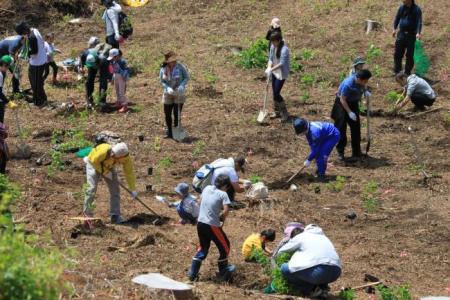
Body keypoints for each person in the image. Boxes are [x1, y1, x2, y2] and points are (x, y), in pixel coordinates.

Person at [187, 174, 236, 282]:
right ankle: (223, 273)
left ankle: (192, 274)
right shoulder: (223, 194)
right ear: (226, 186)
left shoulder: (207, 188)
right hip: (211, 225)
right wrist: (222, 218)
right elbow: (226, 209)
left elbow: (199, 202)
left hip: (200, 223)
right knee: (225, 247)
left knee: (203, 248)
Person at [278, 224, 342, 298]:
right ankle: (322, 289)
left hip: (320, 271)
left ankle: (311, 289)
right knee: (317, 265)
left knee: (285, 268)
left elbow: (281, 251)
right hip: (336, 272)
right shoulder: (324, 238)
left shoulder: (302, 236)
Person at [83, 142, 138, 224]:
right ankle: (87, 216)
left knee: (115, 190)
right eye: (111, 154)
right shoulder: (103, 151)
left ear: (121, 156)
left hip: (109, 166)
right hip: (93, 163)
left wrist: (132, 188)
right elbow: (94, 162)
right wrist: (105, 172)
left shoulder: (126, 158)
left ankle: (115, 216)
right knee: (91, 189)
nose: (111, 155)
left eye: (113, 156)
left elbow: (129, 173)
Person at [331, 69, 372, 161]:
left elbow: (364, 87)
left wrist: (366, 92)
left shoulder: (362, 81)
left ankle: (356, 152)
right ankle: (340, 153)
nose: (366, 83)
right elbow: (342, 99)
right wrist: (349, 112)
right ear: (359, 79)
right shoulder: (348, 84)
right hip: (341, 104)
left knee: (356, 129)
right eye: (365, 81)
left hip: (353, 104)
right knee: (341, 128)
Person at [15, 22, 47, 106]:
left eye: (22, 33)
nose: (22, 35)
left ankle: (38, 102)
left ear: (24, 31)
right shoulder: (34, 30)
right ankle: (42, 98)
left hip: (38, 63)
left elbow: (35, 51)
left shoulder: (32, 37)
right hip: (39, 60)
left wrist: (24, 54)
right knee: (36, 81)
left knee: (35, 83)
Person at [159, 51, 190, 139]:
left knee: (177, 113)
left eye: (174, 60)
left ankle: (176, 130)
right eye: (172, 60)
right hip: (168, 93)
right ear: (167, 61)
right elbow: (162, 81)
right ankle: (169, 131)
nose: (174, 62)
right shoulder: (163, 69)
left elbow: (186, 77)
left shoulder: (180, 67)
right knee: (167, 113)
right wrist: (167, 88)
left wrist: (181, 85)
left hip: (179, 92)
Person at [80, 37, 112, 109]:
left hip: (102, 62)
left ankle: (102, 102)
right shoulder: (85, 54)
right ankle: (90, 100)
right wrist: (81, 70)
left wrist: (110, 75)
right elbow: (81, 64)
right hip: (94, 61)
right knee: (90, 79)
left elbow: (109, 63)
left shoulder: (103, 57)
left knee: (103, 81)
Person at [393, 0, 423, 75]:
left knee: (410, 55)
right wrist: (394, 29)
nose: (403, 1)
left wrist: (418, 32)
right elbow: (397, 18)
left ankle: (407, 72)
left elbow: (419, 21)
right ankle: (397, 71)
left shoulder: (416, 9)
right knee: (398, 53)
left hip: (411, 35)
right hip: (401, 34)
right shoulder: (402, 8)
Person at [265, 32, 290, 122]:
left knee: (276, 93)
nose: (272, 43)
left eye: (274, 41)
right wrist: (269, 67)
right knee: (274, 93)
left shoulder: (284, 49)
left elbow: (282, 63)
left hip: (281, 73)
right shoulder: (272, 46)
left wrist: (271, 69)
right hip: (274, 72)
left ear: (279, 40)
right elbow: (270, 58)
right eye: (271, 42)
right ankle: (277, 112)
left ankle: (285, 114)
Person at [108, 49, 130, 113]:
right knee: (117, 90)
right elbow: (113, 71)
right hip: (116, 76)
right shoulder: (113, 62)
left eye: (113, 57)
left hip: (121, 77)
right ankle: (119, 102)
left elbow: (127, 70)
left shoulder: (122, 62)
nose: (112, 59)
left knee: (121, 92)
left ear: (117, 56)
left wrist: (125, 77)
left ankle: (124, 106)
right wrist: (112, 79)